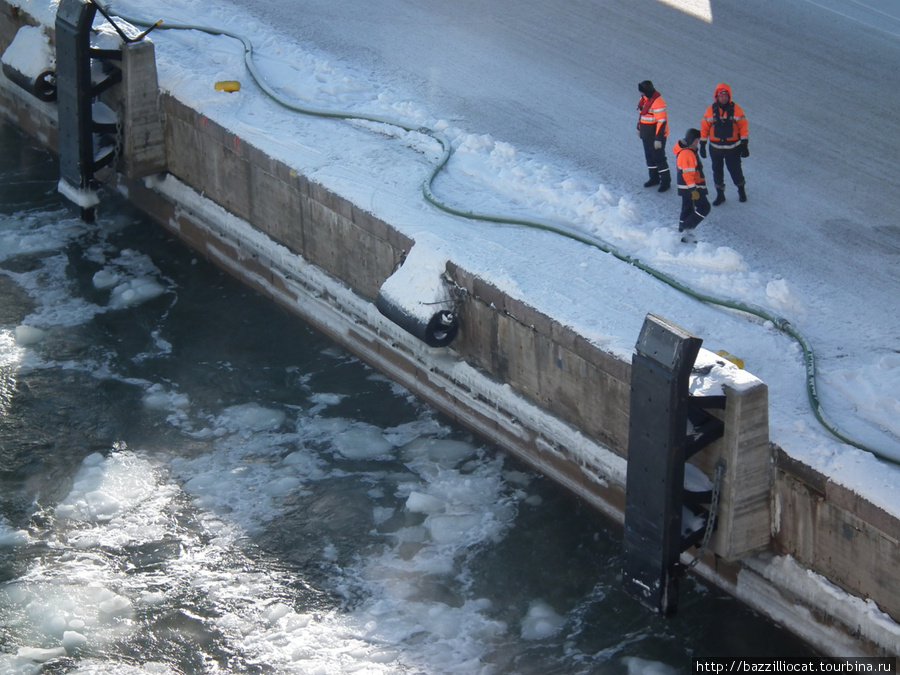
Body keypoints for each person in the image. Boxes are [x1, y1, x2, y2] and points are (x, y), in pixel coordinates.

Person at [699, 82, 748, 205]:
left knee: (736, 171)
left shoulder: (736, 109)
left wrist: (744, 144)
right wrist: (703, 144)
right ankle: (720, 195)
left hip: (733, 149)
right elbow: (704, 127)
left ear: (729, 96)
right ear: (716, 97)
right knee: (717, 172)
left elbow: (743, 127)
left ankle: (741, 190)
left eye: (725, 96)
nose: (723, 98)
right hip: (715, 149)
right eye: (721, 96)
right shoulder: (710, 110)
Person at [673, 128, 711, 242]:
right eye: (697, 140)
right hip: (691, 187)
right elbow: (688, 173)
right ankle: (686, 229)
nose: (698, 142)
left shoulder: (686, 151)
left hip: (686, 187)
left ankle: (681, 232)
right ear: (693, 140)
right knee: (704, 207)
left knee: (687, 208)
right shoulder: (688, 153)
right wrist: (693, 189)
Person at [636, 80, 670, 192]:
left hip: (655, 137)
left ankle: (666, 182)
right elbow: (641, 115)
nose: (641, 94)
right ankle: (654, 178)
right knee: (650, 158)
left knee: (659, 159)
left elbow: (661, 122)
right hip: (646, 135)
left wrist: (658, 139)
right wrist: (639, 128)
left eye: (642, 92)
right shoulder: (644, 99)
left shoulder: (658, 102)